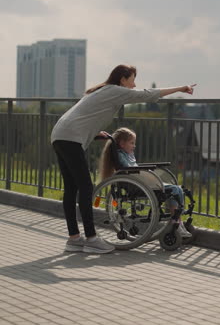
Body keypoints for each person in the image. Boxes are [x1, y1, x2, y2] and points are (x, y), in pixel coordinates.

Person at [51, 64, 196, 253]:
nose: (134, 85)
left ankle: (74, 238)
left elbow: (86, 116)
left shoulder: (103, 90)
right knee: (85, 187)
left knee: (71, 189)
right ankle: (91, 238)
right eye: (132, 80)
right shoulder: (116, 91)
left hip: (60, 135)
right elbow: (148, 94)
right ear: (123, 79)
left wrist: (95, 133)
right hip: (70, 138)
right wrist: (181, 88)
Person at [100, 127, 192, 238]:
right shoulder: (121, 156)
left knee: (177, 189)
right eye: (132, 143)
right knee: (175, 190)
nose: (134, 146)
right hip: (138, 185)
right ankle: (176, 222)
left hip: (141, 183)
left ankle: (177, 222)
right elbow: (129, 170)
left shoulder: (127, 155)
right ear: (122, 144)